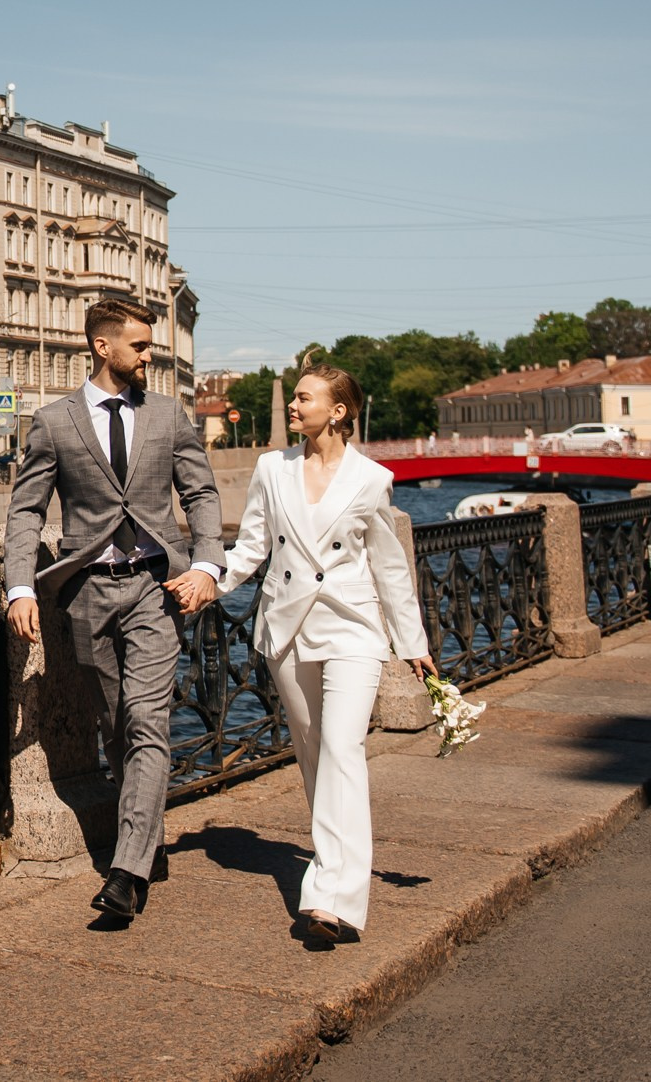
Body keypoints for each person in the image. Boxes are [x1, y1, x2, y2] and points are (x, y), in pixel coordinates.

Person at [3, 298, 224, 922]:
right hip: (88, 592)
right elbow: (26, 510)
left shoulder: (168, 414)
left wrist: (208, 566)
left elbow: (201, 493)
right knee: (115, 726)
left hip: (157, 588)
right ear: (104, 347)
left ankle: (126, 873)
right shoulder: (54, 422)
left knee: (148, 721)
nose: (151, 354)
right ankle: (147, 841)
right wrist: (20, 587)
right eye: (141, 346)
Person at [220, 364, 433, 945]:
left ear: (338, 411)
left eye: (304, 398)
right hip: (288, 626)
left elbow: (389, 565)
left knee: (343, 748)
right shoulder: (273, 468)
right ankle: (330, 867)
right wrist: (208, 582)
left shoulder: (371, 479)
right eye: (292, 397)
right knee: (314, 754)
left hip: (352, 626)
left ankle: (331, 900)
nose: (293, 406)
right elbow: (252, 547)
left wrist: (412, 643)